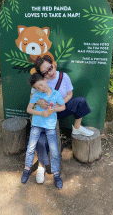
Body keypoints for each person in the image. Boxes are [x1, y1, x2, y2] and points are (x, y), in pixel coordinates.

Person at [31, 55, 94, 184]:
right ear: (41, 74)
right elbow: (32, 96)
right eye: (45, 72)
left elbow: (70, 94)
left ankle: (76, 129)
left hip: (61, 108)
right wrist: (41, 102)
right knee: (43, 137)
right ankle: (41, 166)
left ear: (53, 64)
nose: (50, 73)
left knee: (80, 101)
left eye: (50, 68)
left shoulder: (63, 76)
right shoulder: (40, 81)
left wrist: (61, 104)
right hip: (47, 112)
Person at [21, 73, 66, 189]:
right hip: (37, 124)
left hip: (50, 126)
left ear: (45, 80)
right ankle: (26, 169)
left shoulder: (56, 94)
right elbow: (29, 109)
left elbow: (63, 107)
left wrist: (54, 109)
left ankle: (56, 174)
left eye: (41, 85)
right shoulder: (36, 95)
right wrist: (41, 113)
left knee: (54, 150)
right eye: (37, 87)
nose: (41, 88)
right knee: (31, 147)